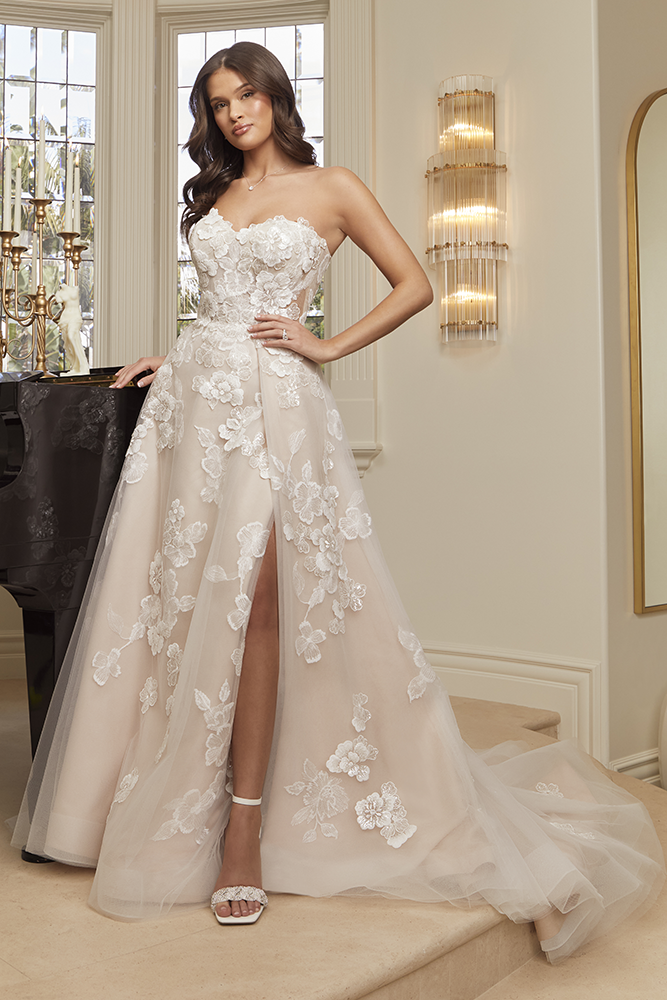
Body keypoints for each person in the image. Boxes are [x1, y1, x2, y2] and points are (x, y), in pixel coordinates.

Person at [12, 42, 664, 959]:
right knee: (184, 606)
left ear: (277, 98)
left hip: (278, 415)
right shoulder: (215, 196)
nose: (235, 113)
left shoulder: (334, 187)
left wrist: (324, 347)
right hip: (193, 408)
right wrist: (176, 352)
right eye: (217, 102)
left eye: (247, 95)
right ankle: (159, 800)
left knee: (266, 603)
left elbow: (416, 283)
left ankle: (243, 826)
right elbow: (217, 306)